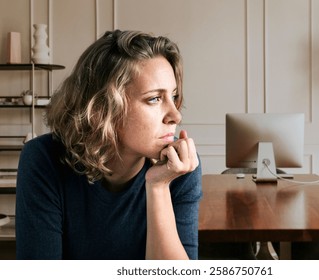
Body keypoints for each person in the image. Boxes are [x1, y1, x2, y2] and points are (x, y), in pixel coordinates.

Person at [15, 30, 202, 260]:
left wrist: (158, 187)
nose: (175, 115)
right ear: (104, 108)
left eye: (173, 96)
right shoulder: (43, 159)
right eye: (154, 98)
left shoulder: (179, 166)